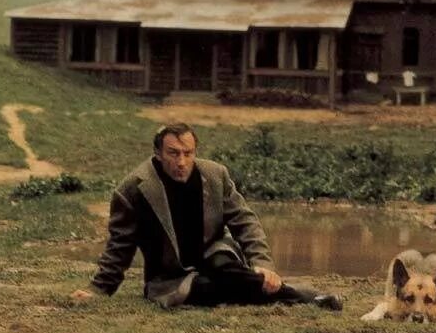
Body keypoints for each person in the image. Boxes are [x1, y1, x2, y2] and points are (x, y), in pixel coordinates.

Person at [71, 123, 343, 311]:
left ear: (195, 152)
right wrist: (98, 290)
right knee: (209, 290)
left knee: (226, 269)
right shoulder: (133, 189)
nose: (181, 162)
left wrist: (262, 263)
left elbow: (244, 221)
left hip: (215, 253)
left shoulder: (215, 175)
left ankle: (302, 296)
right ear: (157, 153)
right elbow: (120, 247)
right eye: (173, 153)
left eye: (188, 153)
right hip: (173, 275)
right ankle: (305, 296)